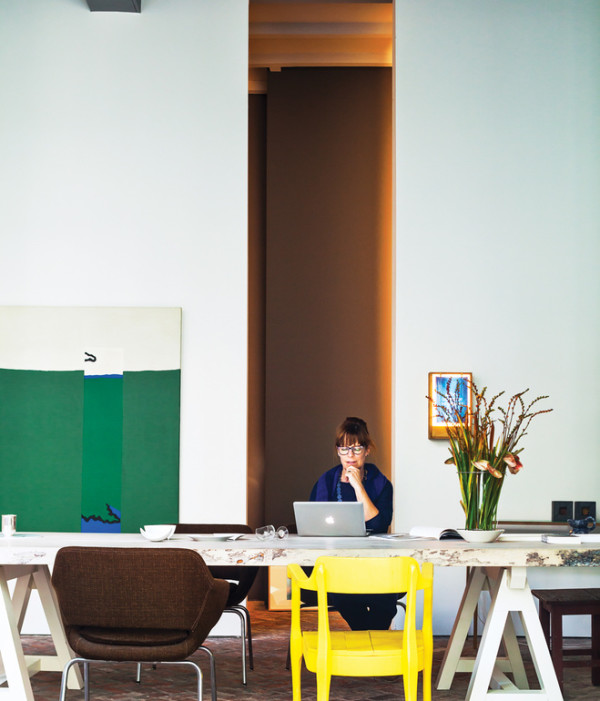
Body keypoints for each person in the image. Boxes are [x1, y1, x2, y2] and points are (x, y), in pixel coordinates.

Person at [308, 416, 398, 631]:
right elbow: (314, 523)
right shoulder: (327, 481)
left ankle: (369, 646)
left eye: (356, 449)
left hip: (375, 563)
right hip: (337, 563)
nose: (350, 455)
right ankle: (368, 643)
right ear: (337, 450)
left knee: (385, 601)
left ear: (367, 450)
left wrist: (358, 486)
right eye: (345, 449)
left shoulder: (380, 482)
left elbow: (378, 524)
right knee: (346, 597)